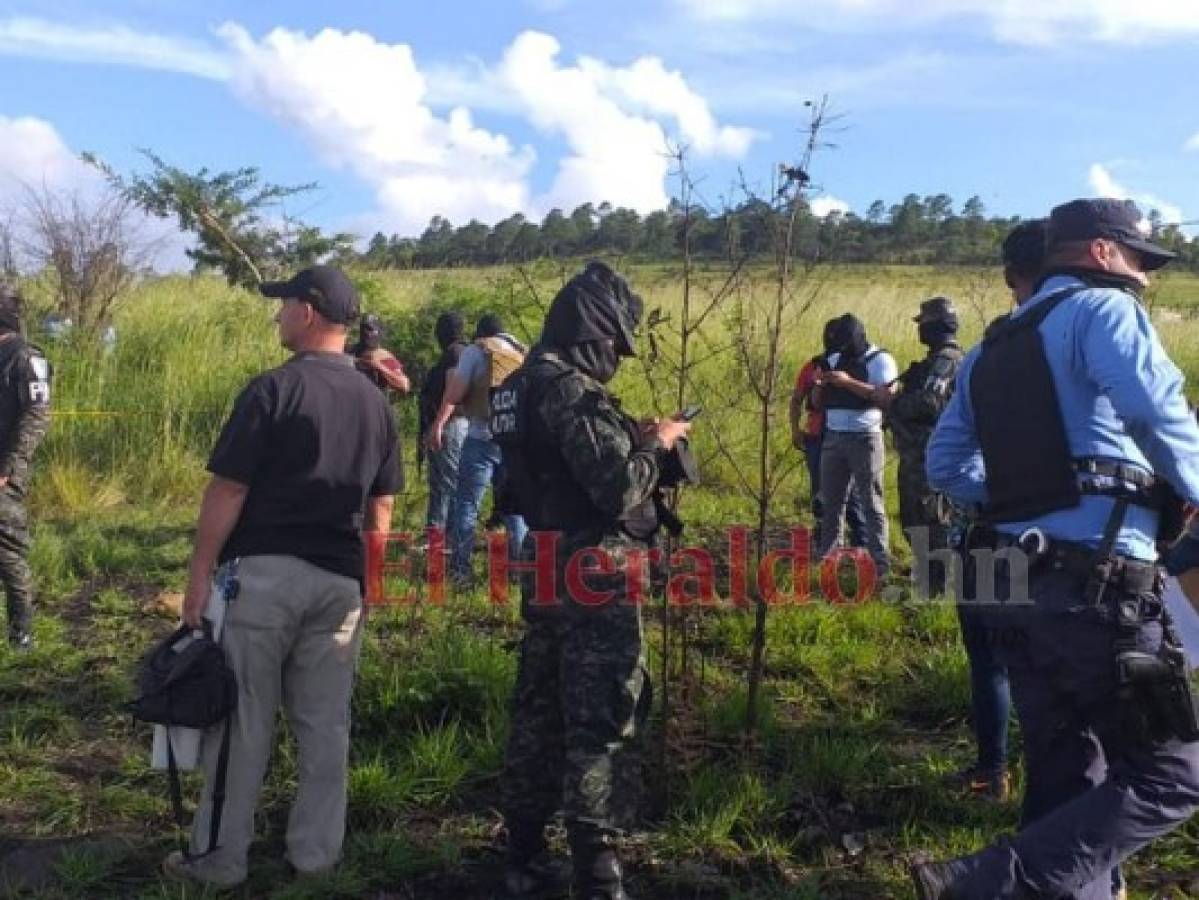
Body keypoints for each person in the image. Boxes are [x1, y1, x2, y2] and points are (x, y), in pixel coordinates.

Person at [916, 199, 1199, 900]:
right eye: (1140, 259)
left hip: (1018, 586)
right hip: (1104, 588)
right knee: (1173, 774)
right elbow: (1151, 409)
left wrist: (1027, 492)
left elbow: (944, 467)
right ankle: (990, 881)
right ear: (1103, 252)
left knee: (1067, 776)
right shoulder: (1104, 313)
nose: (1146, 278)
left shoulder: (988, 350)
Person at [162, 265, 402, 888]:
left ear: (309, 312)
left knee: (243, 721)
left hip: (265, 581)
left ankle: (220, 860)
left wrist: (197, 576)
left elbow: (230, 488)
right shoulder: (377, 401)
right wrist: (367, 584)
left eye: (284, 304)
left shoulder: (271, 390)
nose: (277, 314)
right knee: (326, 726)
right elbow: (381, 508)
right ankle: (316, 858)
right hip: (339, 585)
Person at [493, 261, 690, 900]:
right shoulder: (566, 388)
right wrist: (656, 445)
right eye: (615, 346)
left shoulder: (520, 384)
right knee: (602, 711)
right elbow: (617, 486)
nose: (618, 360)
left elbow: (549, 471)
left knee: (541, 704)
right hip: (592, 569)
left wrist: (626, 438)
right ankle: (597, 871)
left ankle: (521, 854)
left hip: (547, 561)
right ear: (593, 333)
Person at [427, 313, 528, 584]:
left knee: (467, 504)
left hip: (480, 438)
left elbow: (454, 392)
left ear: (481, 334)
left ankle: (461, 570)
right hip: (513, 441)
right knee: (514, 507)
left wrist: (439, 422)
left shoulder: (476, 350)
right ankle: (518, 572)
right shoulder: (521, 351)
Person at [883, 296, 963, 597]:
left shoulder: (947, 361)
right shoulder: (936, 361)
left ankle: (938, 587)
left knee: (931, 519)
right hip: (918, 452)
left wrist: (892, 402)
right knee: (914, 518)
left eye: (924, 324)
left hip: (929, 453)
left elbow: (929, 403)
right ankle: (928, 579)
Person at [812, 313, 897, 577]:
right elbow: (816, 403)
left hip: (865, 437)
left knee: (871, 501)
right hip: (834, 438)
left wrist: (847, 383)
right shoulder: (833, 358)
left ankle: (880, 562)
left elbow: (886, 398)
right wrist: (820, 385)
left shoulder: (881, 360)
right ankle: (828, 558)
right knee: (831, 502)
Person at [0, 285, 50, 652]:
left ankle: (22, 632)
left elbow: (36, 416)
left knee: (7, 550)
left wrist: (9, 469)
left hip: (3, 472)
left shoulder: (25, 357)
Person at [790, 318, 865, 551]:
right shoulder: (815, 366)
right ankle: (827, 544)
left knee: (851, 497)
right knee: (821, 495)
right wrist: (795, 429)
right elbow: (797, 399)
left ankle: (861, 544)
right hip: (817, 436)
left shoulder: (855, 366)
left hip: (843, 435)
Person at [419, 311, 469, 531]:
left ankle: (447, 539)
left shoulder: (455, 354)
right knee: (441, 486)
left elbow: (452, 392)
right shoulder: (457, 353)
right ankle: (437, 538)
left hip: (450, 426)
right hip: (446, 425)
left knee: (447, 485)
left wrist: (438, 424)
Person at [350, 313, 410, 395]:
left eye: (370, 329)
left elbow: (404, 385)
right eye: (364, 328)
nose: (366, 333)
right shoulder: (350, 351)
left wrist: (378, 366)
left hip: (374, 403)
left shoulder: (383, 356)